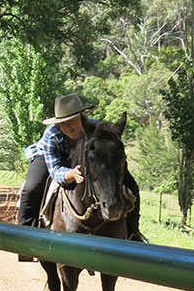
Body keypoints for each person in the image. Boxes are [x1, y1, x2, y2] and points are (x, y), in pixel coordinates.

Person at [17, 93, 142, 251]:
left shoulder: (96, 129)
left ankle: (133, 232)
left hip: (86, 158)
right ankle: (24, 236)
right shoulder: (51, 135)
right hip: (51, 157)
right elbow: (54, 170)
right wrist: (69, 174)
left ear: (82, 118)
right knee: (32, 187)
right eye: (63, 123)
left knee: (132, 186)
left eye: (73, 121)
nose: (69, 127)